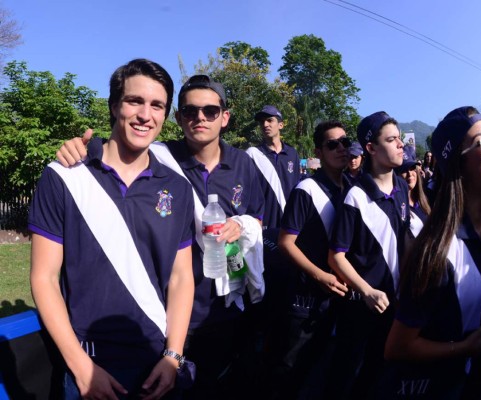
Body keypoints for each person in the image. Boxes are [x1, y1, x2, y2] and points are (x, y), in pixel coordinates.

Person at [56, 74, 265, 400]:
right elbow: (114, 151)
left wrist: (243, 224)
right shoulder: (159, 157)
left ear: (224, 117)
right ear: (178, 117)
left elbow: (258, 216)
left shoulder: (244, 164)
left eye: (210, 111)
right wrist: (79, 148)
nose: (200, 118)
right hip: (170, 315)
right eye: (190, 110)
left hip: (224, 305)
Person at [30, 59, 195, 399]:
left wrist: (173, 356)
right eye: (135, 101)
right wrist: (80, 367)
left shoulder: (177, 188)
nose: (145, 115)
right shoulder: (65, 176)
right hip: (89, 365)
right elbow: (43, 278)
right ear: (114, 105)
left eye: (157, 105)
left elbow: (181, 277)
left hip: (157, 363)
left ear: (165, 115)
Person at [379, 106, 481, 399]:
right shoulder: (437, 253)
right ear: (458, 165)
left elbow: (469, 289)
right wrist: (463, 348)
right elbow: (396, 348)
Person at [324, 111, 410, 399]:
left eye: (399, 138)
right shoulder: (356, 197)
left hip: (395, 303)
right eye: (391, 139)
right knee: (348, 375)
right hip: (361, 308)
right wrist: (366, 291)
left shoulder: (400, 187)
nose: (400, 145)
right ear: (371, 148)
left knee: (380, 374)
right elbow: (336, 257)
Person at [271, 120, 350, 398]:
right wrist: (321, 275)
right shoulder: (306, 190)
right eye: (332, 144)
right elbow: (285, 242)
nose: (341, 148)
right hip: (305, 300)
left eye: (344, 142)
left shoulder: (352, 190)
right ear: (318, 152)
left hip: (340, 299)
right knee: (292, 372)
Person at [246, 105, 300, 231]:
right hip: (263, 223)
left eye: (270, 120)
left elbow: (297, 187)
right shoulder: (252, 154)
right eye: (262, 122)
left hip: (289, 223)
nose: (265, 124)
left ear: (280, 125)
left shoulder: (292, 153)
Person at [395, 149, 431, 229]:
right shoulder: (396, 206)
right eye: (404, 170)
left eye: (412, 168)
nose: (409, 174)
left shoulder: (425, 199)